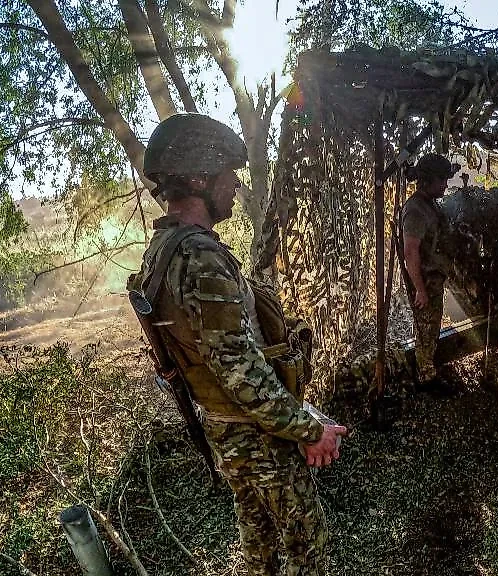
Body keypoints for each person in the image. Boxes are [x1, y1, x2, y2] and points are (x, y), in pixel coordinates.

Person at [129, 113, 347, 575]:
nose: (235, 184)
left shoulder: (164, 250)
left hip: (226, 430)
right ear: (198, 178)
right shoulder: (200, 257)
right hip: (256, 434)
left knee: (260, 545)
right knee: (306, 552)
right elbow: (240, 370)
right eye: (229, 173)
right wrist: (310, 430)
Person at [400, 153, 459, 392]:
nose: (445, 184)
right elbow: (410, 252)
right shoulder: (415, 210)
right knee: (426, 331)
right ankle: (426, 379)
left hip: (433, 278)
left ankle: (427, 368)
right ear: (427, 181)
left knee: (431, 327)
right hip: (425, 280)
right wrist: (420, 290)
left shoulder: (428, 203)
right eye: (441, 180)